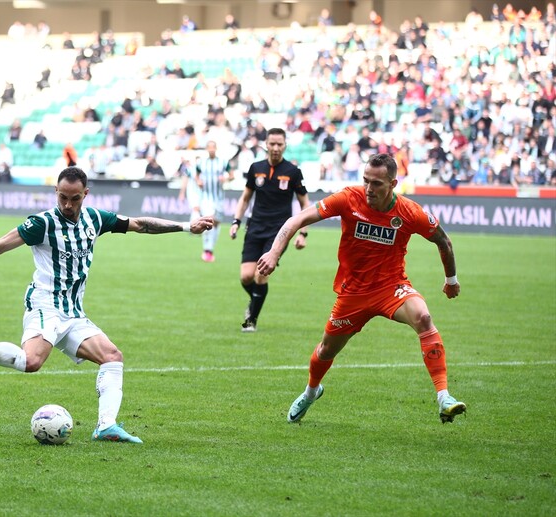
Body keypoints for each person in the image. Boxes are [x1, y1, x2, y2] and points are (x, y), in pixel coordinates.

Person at [0, 167, 214, 444]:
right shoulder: (42, 223)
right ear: (56, 192)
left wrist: (187, 227)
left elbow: (141, 224)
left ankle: (106, 426)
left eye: (74, 199)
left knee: (112, 356)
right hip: (44, 305)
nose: (68, 205)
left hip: (73, 312)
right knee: (32, 362)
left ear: (85, 195)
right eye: (62, 197)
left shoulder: (96, 219)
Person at [256, 153, 467, 424]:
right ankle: (311, 392)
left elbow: (444, 242)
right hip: (353, 293)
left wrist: (451, 281)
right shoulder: (348, 198)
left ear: (393, 183)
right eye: (366, 181)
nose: (369, 189)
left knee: (424, 318)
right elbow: (295, 220)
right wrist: (274, 253)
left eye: (377, 184)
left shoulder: (410, 212)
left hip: (392, 287)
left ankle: (444, 397)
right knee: (325, 351)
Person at [230, 128, 310, 332]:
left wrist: (302, 233)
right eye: (272, 144)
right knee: (246, 276)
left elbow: (305, 205)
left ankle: (251, 321)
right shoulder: (255, 167)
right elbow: (245, 198)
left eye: (279, 144)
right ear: (266, 144)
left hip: (279, 232)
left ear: (285, 146)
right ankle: (254, 302)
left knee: (260, 275)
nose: (275, 148)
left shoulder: (293, 172)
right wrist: (236, 222)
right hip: (254, 227)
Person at [196, 141, 233, 262]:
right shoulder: (201, 162)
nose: (211, 150)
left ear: (216, 148)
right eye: (209, 147)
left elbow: (232, 175)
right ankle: (206, 249)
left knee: (216, 223)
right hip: (206, 197)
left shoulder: (223, 162)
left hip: (219, 197)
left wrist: (226, 178)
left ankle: (210, 249)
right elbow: (196, 175)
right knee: (209, 219)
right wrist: (199, 181)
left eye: (213, 148)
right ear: (207, 149)